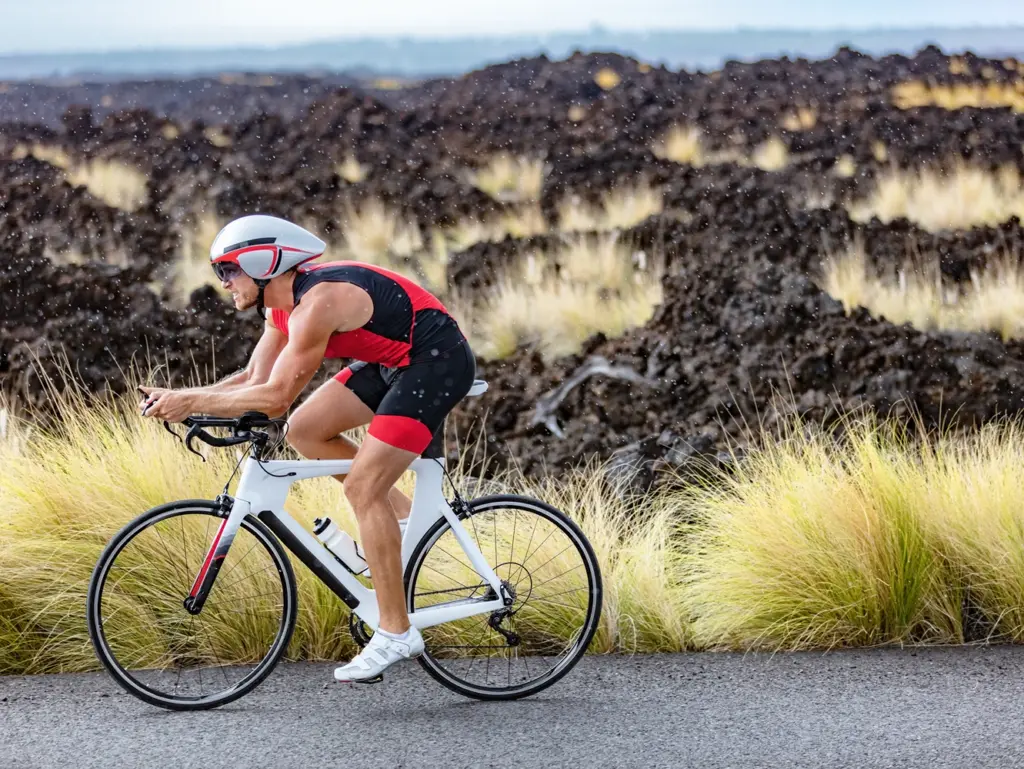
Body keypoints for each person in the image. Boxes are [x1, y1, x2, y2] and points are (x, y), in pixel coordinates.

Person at [138, 214, 476, 682]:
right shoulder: (280, 308)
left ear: (261, 264)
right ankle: (397, 520)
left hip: (435, 362)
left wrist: (191, 400)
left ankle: (397, 632)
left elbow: (275, 399)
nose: (224, 284)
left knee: (362, 489)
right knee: (305, 430)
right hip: (392, 362)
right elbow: (256, 381)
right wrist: (194, 403)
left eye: (227, 271)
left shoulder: (318, 304)